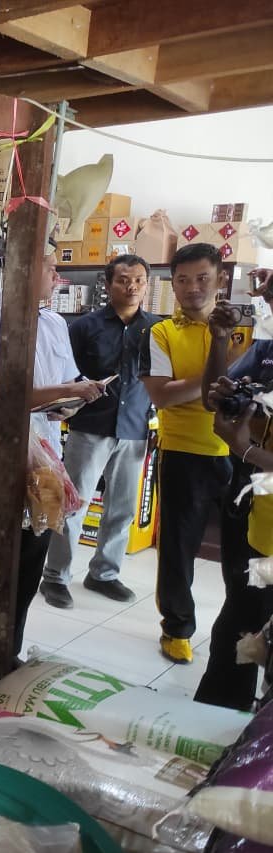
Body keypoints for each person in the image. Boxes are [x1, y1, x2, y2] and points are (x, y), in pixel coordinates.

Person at [0, 254, 104, 677]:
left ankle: (6, 652)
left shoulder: (54, 324)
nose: (57, 275)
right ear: (21, 269)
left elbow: (64, 387)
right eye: (49, 266)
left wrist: (73, 400)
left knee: (31, 560)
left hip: (46, 459)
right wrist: (64, 391)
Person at [39, 255, 159, 609]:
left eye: (138, 280)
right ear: (108, 285)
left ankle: (104, 573)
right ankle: (55, 576)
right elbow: (64, 374)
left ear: (147, 285)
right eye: (123, 279)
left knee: (121, 508)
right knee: (74, 504)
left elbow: (159, 380)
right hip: (91, 426)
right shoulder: (84, 327)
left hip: (135, 428)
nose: (131, 286)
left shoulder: (156, 329)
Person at [140, 243, 239, 664]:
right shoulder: (161, 333)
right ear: (172, 284)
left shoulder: (247, 329)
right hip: (183, 451)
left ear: (220, 279)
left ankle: (241, 626)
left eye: (202, 278)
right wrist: (219, 381)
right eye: (182, 279)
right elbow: (162, 395)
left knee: (243, 552)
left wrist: (196, 386)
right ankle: (177, 628)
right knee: (178, 549)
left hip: (243, 453)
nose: (192, 287)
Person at [195, 265, 273, 710]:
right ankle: (218, 716)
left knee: (251, 619)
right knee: (241, 612)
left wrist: (245, 450)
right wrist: (220, 341)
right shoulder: (266, 346)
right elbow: (214, 396)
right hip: (253, 506)